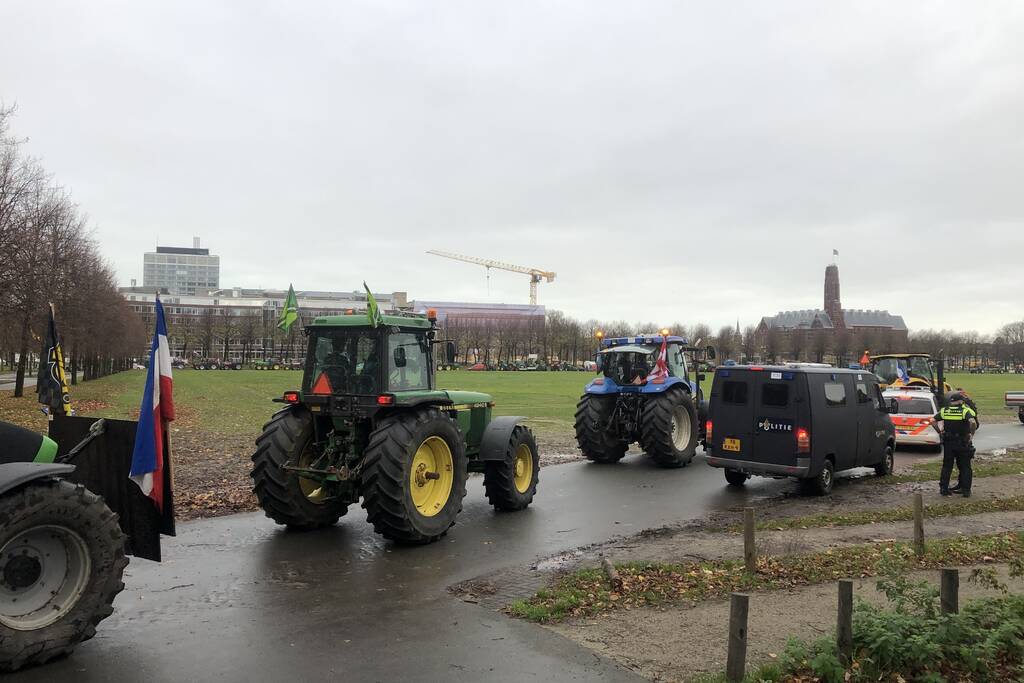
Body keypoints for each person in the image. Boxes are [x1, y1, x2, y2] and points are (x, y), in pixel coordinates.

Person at [934, 392, 980, 497]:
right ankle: (966, 490)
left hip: (949, 442)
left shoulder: (945, 411)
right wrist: (971, 434)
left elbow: (932, 421)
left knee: (947, 466)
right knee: (965, 467)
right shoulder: (965, 411)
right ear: (961, 402)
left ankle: (944, 489)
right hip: (963, 442)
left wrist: (940, 431)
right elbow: (973, 422)